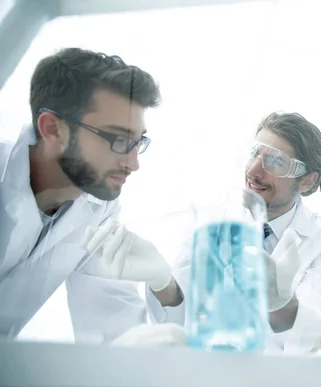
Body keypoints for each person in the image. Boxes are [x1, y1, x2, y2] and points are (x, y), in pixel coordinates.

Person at [0, 48, 184, 343]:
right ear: (52, 128)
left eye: (138, 142)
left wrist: (163, 282)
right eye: (119, 139)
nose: (133, 164)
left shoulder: (98, 211)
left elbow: (116, 337)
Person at [133, 112, 321, 352]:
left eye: (275, 162)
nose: (254, 171)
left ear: (306, 181)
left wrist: (281, 302)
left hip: (270, 377)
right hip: (203, 368)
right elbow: (176, 321)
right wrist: (161, 281)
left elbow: (312, 333)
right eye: (255, 154)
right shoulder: (212, 218)